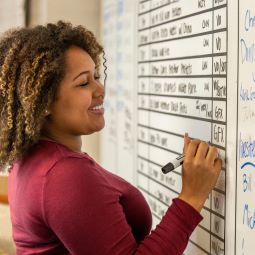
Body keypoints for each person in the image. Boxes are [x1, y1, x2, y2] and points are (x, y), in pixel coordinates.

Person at [0, 21, 222, 255]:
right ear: (43, 101)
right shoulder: (63, 175)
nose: (101, 89)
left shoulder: (36, 158)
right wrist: (192, 196)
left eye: (96, 75)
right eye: (84, 83)